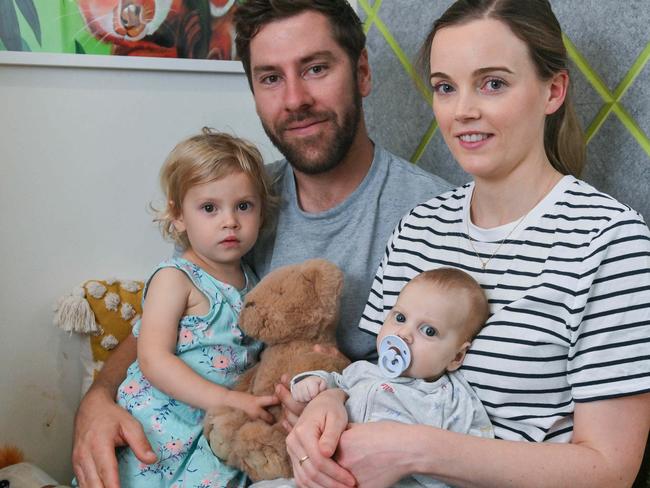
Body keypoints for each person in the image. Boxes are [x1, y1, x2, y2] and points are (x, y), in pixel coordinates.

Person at [71, 1, 451, 486]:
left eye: (315, 68)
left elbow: (453, 394)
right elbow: (164, 325)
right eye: (271, 78)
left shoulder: (432, 214)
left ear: (361, 73)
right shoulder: (241, 204)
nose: (294, 99)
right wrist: (98, 400)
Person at [285, 1, 650, 487]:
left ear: (553, 90)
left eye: (493, 83)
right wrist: (327, 405)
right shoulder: (419, 227)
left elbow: (610, 470)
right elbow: (381, 370)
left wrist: (417, 450)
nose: (462, 111)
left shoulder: (611, 242)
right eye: (445, 87)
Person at [112, 130, 278, 487]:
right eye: (209, 208)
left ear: (261, 212)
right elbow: (153, 360)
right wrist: (227, 399)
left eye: (243, 206)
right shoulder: (176, 278)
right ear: (178, 215)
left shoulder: (253, 282)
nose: (230, 220)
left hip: (210, 431)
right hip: (160, 427)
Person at [286, 268, 494, 488]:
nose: (403, 334)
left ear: (457, 356)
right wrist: (311, 383)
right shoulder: (363, 371)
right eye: (400, 317)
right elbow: (334, 382)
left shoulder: (452, 399)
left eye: (429, 331)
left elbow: (475, 459)